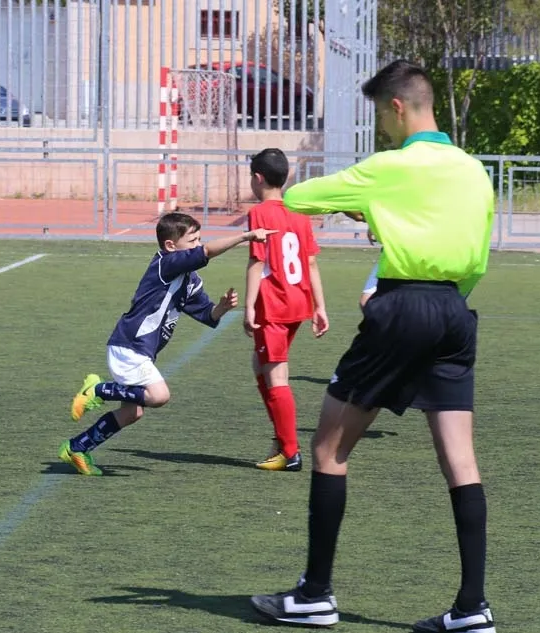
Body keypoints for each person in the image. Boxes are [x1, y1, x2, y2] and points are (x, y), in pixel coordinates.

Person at [250, 59, 497, 633]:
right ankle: (473, 609)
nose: (383, 129)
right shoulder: (474, 171)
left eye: (382, 117)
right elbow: (477, 261)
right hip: (455, 314)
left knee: (328, 450)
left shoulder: (390, 166)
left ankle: (315, 595)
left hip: (402, 307)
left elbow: (299, 198)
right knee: (461, 461)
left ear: (397, 107)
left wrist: (361, 203)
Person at [60, 212, 275, 476]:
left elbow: (207, 315)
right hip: (130, 344)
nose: (197, 245)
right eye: (192, 241)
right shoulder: (166, 264)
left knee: (132, 413)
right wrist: (246, 236)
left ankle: (77, 447)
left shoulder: (190, 279)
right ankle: (98, 390)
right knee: (159, 395)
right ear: (171, 246)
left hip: (141, 351)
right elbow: (207, 252)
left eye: (199, 239)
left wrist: (221, 307)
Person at [243, 148, 328, 472]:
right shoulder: (299, 212)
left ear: (258, 178)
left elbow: (257, 261)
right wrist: (320, 306)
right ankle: (282, 438)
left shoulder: (260, 213)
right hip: (298, 301)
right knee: (261, 365)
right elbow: (311, 262)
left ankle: (290, 452)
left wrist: (249, 307)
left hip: (274, 304)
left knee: (276, 375)